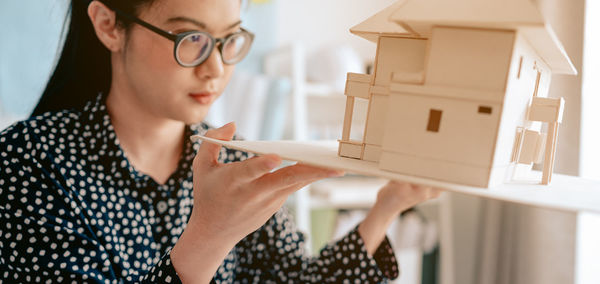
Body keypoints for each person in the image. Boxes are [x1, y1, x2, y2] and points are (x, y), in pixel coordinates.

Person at [0, 0, 441, 282]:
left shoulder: (233, 164)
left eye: (229, 39)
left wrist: (388, 205)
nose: (215, 69)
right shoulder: (27, 164)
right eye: (191, 38)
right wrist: (207, 237)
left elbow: (291, 279)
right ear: (109, 25)